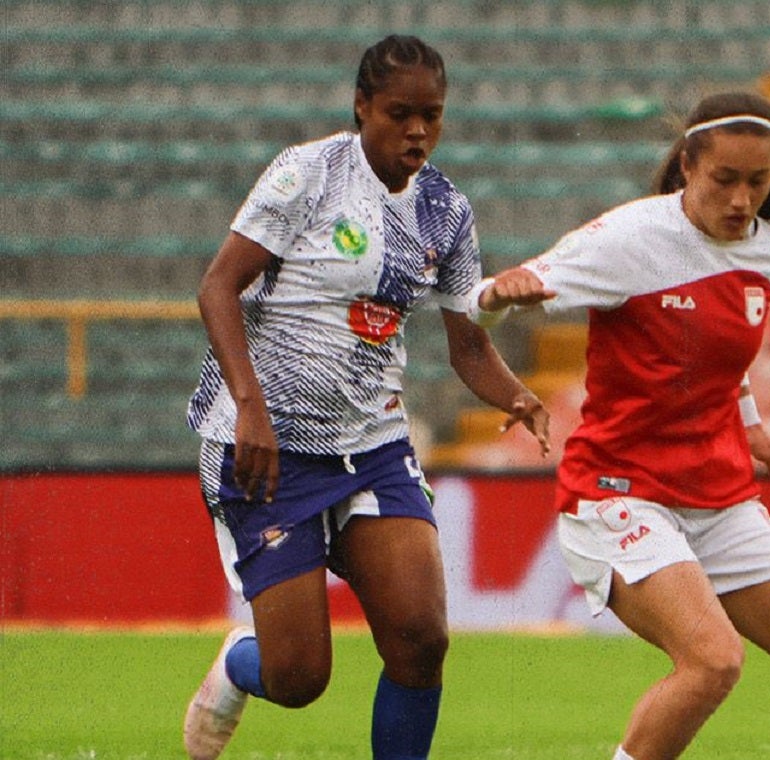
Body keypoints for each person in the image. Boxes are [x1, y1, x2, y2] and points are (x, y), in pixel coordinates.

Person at [467, 91, 770, 759]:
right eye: (725, 180)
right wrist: (499, 298)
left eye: (757, 183)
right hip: (619, 493)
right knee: (712, 662)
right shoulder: (628, 241)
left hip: (720, 499)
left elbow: (714, 355)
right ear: (687, 167)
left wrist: (752, 427)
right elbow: (488, 301)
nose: (741, 200)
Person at [182, 34, 550, 760]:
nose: (417, 131)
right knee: (298, 677)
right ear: (362, 108)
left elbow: (468, 342)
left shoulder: (445, 211)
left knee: (422, 639)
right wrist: (251, 407)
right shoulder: (308, 174)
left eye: (432, 117)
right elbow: (217, 287)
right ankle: (237, 664)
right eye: (400, 113)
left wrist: (517, 394)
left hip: (373, 445)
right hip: (269, 446)